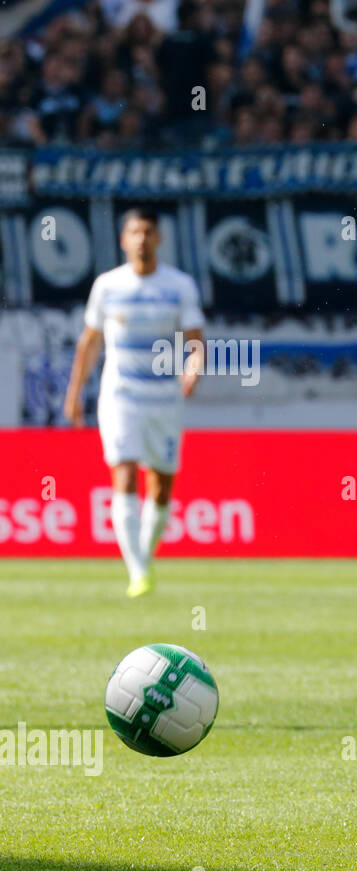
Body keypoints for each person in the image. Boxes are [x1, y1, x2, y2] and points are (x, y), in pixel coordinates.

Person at [63, 207, 204, 597]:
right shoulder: (108, 286)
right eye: (134, 232)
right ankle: (137, 572)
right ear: (124, 240)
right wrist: (74, 394)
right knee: (123, 473)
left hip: (163, 398)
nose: (141, 239)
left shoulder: (179, 285)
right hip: (121, 395)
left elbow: (195, 340)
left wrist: (194, 367)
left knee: (160, 485)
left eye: (148, 232)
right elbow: (90, 343)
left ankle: (143, 557)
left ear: (158, 238)